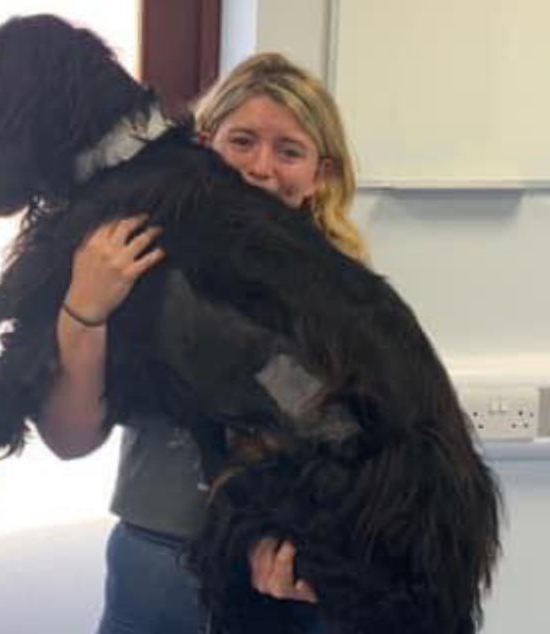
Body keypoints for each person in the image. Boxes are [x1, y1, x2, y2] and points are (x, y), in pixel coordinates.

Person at [35, 52, 370, 634]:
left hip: (276, 583)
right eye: (241, 141)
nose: (259, 168)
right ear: (203, 145)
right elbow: (70, 439)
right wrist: (83, 309)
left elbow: (350, 441)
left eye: (288, 150)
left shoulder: (346, 301)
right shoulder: (136, 263)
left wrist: (299, 535)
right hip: (154, 568)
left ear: (322, 173)